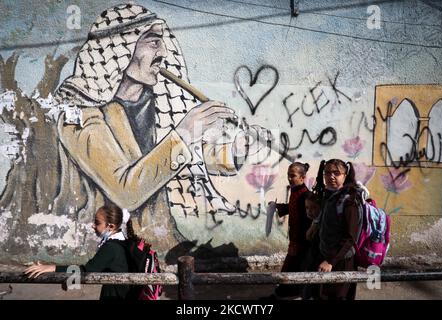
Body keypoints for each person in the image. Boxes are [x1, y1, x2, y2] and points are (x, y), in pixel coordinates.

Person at [52, 4, 270, 252]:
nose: (164, 52)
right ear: (121, 47)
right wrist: (186, 131)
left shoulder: (157, 102)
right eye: (153, 42)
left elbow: (185, 159)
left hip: (160, 242)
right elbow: (125, 191)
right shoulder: (79, 114)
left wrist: (237, 149)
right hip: (105, 246)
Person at [24, 205, 131, 300]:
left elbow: (86, 271)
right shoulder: (121, 241)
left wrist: (52, 268)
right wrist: (69, 280)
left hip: (115, 296)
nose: (93, 225)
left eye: (97, 223)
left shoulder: (111, 248)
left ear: (111, 226)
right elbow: (99, 268)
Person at [314, 159, 362, 300]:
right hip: (328, 256)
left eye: (336, 173)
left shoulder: (349, 201)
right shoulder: (329, 195)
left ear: (345, 175)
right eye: (327, 173)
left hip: (342, 261)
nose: (331, 176)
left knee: (337, 296)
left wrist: (330, 261)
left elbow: (350, 238)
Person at [267, 162, 312, 299]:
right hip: (295, 240)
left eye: (293, 175)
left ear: (302, 178)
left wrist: (297, 243)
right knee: (292, 268)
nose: (289, 178)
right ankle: (285, 294)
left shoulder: (306, 196)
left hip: (302, 241)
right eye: (288, 175)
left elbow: (307, 221)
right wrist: (278, 206)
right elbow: (292, 208)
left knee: (294, 269)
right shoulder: (296, 192)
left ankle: (287, 295)